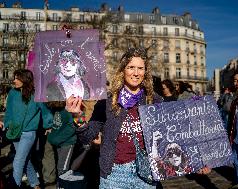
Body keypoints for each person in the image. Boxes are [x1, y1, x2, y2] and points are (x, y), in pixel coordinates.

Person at [66, 48, 210, 189]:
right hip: (114, 175)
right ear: (123, 70)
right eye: (131, 67)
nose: (136, 73)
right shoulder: (108, 102)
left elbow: (173, 136)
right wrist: (77, 116)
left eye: (140, 68)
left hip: (146, 174)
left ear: (145, 72)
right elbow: (86, 137)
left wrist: (196, 161)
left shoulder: (154, 101)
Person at [2, 69, 53, 189]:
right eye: (14, 78)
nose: (14, 80)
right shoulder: (13, 93)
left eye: (17, 78)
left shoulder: (35, 94)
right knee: (25, 160)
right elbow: (9, 111)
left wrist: (48, 125)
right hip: (14, 131)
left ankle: (14, 186)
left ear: (25, 79)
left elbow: (45, 112)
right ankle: (35, 184)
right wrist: (6, 123)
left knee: (18, 161)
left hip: (28, 133)